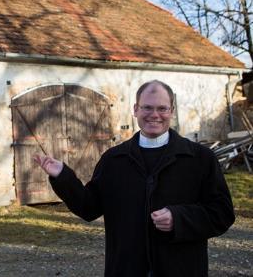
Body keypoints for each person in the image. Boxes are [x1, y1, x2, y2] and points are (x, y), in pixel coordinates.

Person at [34, 80, 235, 277]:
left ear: (171, 111)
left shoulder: (200, 159)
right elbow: (89, 207)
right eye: (147, 108)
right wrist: (63, 176)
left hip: (182, 267)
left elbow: (222, 213)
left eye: (162, 108)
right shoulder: (114, 160)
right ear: (136, 109)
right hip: (126, 268)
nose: (155, 115)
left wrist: (179, 218)